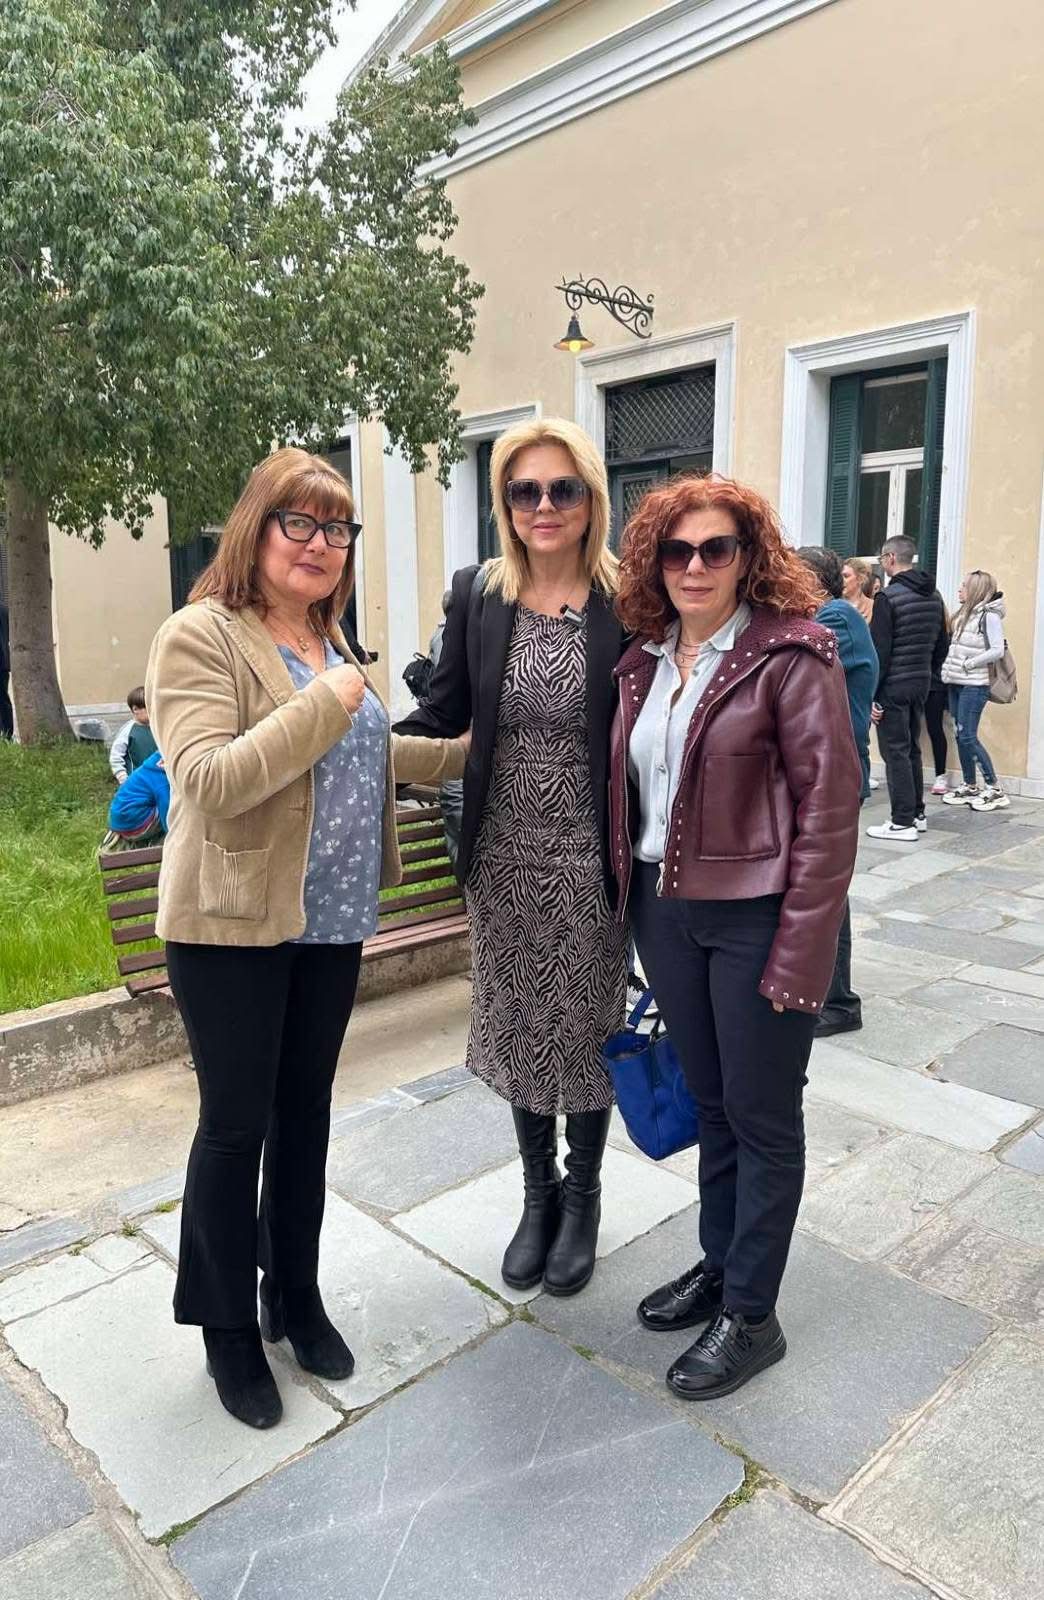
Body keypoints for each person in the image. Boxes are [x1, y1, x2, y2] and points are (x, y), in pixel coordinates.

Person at [146, 447, 465, 1431]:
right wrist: (323, 702)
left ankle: (294, 1292)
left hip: (329, 921)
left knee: (305, 1116)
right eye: (302, 522)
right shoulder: (201, 635)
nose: (322, 544)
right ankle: (225, 1329)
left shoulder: (332, 641)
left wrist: (470, 752)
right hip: (233, 925)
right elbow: (209, 777)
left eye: (338, 529)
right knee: (235, 1125)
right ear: (257, 529)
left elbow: (369, 751)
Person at [611, 475, 860, 1400]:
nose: (695, 566)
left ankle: (754, 1315)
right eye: (676, 551)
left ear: (749, 557)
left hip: (755, 915)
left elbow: (830, 816)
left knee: (762, 1116)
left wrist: (803, 954)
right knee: (712, 1104)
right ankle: (722, 1266)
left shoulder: (792, 655)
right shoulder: (642, 661)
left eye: (716, 548)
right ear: (654, 563)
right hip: (664, 912)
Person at [396, 417, 627, 1298]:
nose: (543, 505)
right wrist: (357, 749)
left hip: (594, 858)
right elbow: (442, 711)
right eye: (523, 490)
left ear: (590, 499)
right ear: (504, 502)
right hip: (503, 857)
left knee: (589, 1025)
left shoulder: (627, 598)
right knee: (522, 1023)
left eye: (562, 489)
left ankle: (585, 1194)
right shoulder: (480, 594)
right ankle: (539, 1195)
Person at [797, 547, 876, 1037]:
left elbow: (799, 655)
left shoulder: (836, 617)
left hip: (836, 777)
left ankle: (839, 1002)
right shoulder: (832, 616)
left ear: (811, 581)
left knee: (826, 890)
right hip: (824, 773)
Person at [866, 536, 947, 842]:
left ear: (890, 558)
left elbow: (880, 652)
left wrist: (874, 696)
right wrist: (928, 673)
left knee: (895, 752)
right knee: (911, 748)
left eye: (881, 559)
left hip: (894, 685)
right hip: (921, 683)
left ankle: (902, 822)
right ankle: (917, 813)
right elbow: (942, 644)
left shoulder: (887, 597)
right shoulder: (934, 596)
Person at [940, 569, 1010, 811]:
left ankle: (994, 788)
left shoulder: (989, 616)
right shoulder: (965, 614)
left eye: (964, 586)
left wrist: (970, 663)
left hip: (974, 684)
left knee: (968, 735)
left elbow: (997, 650)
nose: (960, 589)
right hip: (956, 681)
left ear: (976, 590)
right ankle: (970, 784)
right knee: (960, 735)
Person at [427, 590, 463, 866]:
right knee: (455, 797)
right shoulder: (450, 635)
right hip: (455, 728)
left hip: (453, 730)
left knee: (454, 799)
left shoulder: (439, 635)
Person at [106, 750, 170, 843]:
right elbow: (167, 808)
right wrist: (172, 834)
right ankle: (158, 841)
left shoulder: (149, 767)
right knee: (177, 807)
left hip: (118, 819)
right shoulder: (161, 778)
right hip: (134, 824)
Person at [109, 687, 158, 783]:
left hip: (159, 779)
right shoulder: (128, 731)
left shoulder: (158, 728)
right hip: (137, 781)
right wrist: (123, 778)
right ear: (135, 709)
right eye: (148, 707)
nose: (153, 710)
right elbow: (116, 756)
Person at [0, 599, 13, 739]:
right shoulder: (5, 610)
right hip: (3, 662)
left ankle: (6, 735)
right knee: (3, 698)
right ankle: (7, 734)